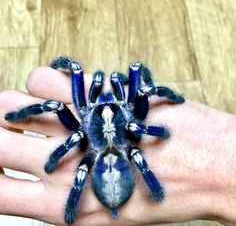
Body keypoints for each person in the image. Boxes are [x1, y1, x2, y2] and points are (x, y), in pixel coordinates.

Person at [0, 66, 235, 226]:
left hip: (100, 155)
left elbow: (70, 129)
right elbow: (145, 104)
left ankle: (73, 208)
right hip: (124, 153)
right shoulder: (132, 127)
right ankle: (149, 191)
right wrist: (156, 130)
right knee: (141, 88)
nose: (107, 103)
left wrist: (55, 160)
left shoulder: (83, 122)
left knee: (58, 108)